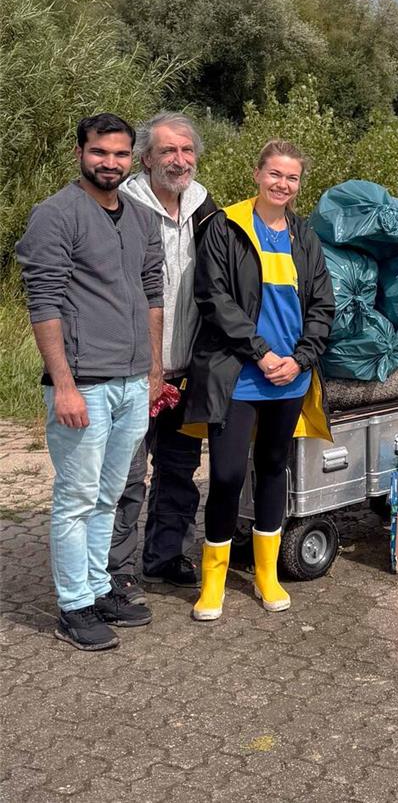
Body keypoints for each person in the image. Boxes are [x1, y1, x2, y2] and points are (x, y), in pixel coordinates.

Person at [16, 113, 162, 650]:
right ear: (80, 152)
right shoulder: (55, 215)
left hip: (132, 381)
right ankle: (73, 606)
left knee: (109, 494)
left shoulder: (141, 217)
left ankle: (99, 588)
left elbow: (152, 293)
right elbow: (44, 302)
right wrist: (64, 384)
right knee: (76, 497)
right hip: (84, 384)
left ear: (133, 160)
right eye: (100, 152)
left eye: (120, 154)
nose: (110, 163)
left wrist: (153, 371)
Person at [185, 140, 334, 621]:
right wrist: (262, 353)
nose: (282, 184)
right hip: (240, 374)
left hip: (290, 377)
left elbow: (322, 305)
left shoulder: (304, 235)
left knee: (273, 470)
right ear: (257, 174)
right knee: (227, 475)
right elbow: (214, 298)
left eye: (291, 178)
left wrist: (301, 359)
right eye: (274, 174)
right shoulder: (226, 226)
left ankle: (267, 575)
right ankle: (214, 581)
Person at [107, 113, 217, 603]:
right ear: (146, 158)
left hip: (187, 369)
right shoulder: (122, 207)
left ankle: (165, 556)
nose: (179, 160)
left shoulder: (204, 207)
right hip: (130, 370)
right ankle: (113, 571)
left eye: (187, 150)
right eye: (168, 150)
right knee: (125, 477)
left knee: (179, 470)